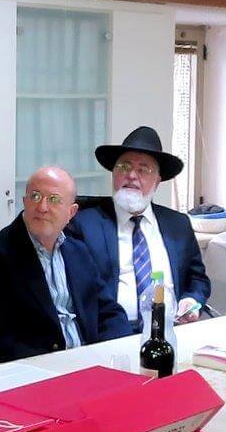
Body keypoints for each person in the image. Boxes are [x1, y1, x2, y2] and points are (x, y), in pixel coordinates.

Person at [0, 166, 129, 366]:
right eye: (35, 196)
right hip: (34, 372)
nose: (42, 207)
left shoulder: (78, 250)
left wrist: (111, 352)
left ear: (71, 212)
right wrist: (57, 364)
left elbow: (109, 311)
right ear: (24, 202)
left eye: (54, 199)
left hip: (90, 363)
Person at [72, 126, 211, 332]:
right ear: (113, 174)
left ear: (157, 181)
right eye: (124, 167)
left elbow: (197, 279)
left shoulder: (178, 224)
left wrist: (191, 300)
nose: (131, 175)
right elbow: (78, 290)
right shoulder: (85, 224)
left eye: (143, 169)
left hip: (170, 328)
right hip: (112, 334)